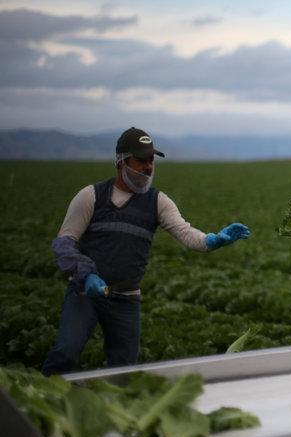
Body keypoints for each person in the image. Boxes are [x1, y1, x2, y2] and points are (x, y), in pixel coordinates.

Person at [42, 127, 250, 375]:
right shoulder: (91, 196)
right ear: (121, 161)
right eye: (141, 160)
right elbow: (64, 243)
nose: (148, 167)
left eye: (151, 160)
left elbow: (185, 233)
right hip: (84, 294)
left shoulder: (158, 201)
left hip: (126, 299)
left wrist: (212, 240)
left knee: (124, 370)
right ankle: (35, 401)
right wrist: (86, 274)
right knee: (65, 354)